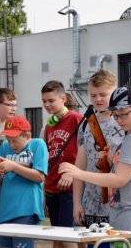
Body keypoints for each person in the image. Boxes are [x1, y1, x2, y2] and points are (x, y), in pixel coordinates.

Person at [59, 86, 131, 247]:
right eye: (115, 115)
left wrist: (78, 173)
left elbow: (119, 179)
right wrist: (112, 160)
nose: (119, 120)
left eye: (123, 114)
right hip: (127, 215)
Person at [69, 70, 124, 248]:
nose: (98, 99)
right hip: (91, 202)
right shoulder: (87, 123)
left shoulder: (124, 122)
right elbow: (80, 164)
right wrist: (77, 202)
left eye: (103, 94)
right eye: (93, 95)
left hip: (118, 204)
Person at [0, 115, 48, 248]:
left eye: (15, 140)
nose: (11, 145)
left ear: (27, 135)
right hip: (5, 210)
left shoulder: (37, 144)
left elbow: (39, 176)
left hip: (27, 209)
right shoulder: (5, 147)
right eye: (8, 140)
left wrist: (13, 166)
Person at [41, 80, 83, 248]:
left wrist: (73, 173)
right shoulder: (49, 125)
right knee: (57, 237)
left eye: (51, 101)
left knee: (68, 236)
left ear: (63, 99)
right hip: (52, 185)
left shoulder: (76, 119)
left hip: (69, 187)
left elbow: (85, 151)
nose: (47, 104)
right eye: (44, 101)